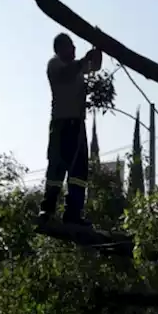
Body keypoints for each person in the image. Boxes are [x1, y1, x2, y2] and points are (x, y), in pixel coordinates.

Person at [41, 33, 103, 227]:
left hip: (77, 124)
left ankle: (73, 213)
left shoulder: (77, 66)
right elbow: (67, 75)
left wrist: (98, 47)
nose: (74, 50)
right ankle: (47, 209)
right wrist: (85, 59)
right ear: (60, 49)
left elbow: (96, 66)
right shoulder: (55, 64)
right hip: (61, 123)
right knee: (57, 166)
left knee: (78, 171)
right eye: (70, 46)